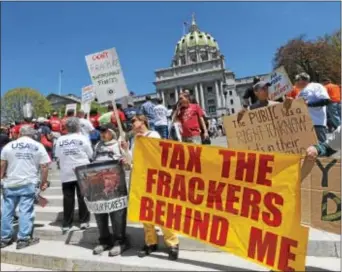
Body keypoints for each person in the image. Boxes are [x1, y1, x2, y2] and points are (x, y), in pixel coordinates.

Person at [121, 114, 179, 260]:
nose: (132, 124)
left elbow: (156, 153)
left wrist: (141, 140)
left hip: (155, 178)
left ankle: (172, 242)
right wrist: (126, 150)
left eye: (135, 121)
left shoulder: (154, 134)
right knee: (145, 213)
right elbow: (132, 161)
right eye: (132, 122)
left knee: (161, 211)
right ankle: (150, 242)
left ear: (143, 122)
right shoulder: (135, 140)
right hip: (140, 178)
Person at [0, 126, 50, 249]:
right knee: (25, 210)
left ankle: (4, 239)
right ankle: (23, 239)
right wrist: (44, 181)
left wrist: (1, 177)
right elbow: (44, 166)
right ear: (32, 135)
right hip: (28, 182)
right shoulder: (38, 146)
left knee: (7, 211)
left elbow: (2, 164)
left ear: (19, 134)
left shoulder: (8, 146)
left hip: (10, 182)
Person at [92, 124, 128, 256]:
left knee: (117, 214)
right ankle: (104, 240)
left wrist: (125, 157)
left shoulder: (119, 145)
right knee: (100, 212)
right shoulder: (97, 146)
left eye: (105, 132)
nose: (102, 134)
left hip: (116, 185)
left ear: (112, 132)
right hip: (99, 185)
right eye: (100, 132)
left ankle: (120, 241)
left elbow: (128, 163)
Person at [55, 117, 92, 234]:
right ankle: (84, 221)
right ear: (78, 127)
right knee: (83, 197)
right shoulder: (83, 138)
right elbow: (90, 154)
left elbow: (58, 155)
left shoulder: (60, 140)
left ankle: (67, 223)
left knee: (68, 198)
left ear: (66, 127)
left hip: (66, 172)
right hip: (82, 170)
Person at [295, 73, 331, 143]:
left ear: (302, 80)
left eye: (296, 80)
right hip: (304, 124)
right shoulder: (300, 92)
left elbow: (326, 100)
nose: (295, 82)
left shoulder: (316, 86)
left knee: (322, 147)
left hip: (317, 122)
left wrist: (308, 104)